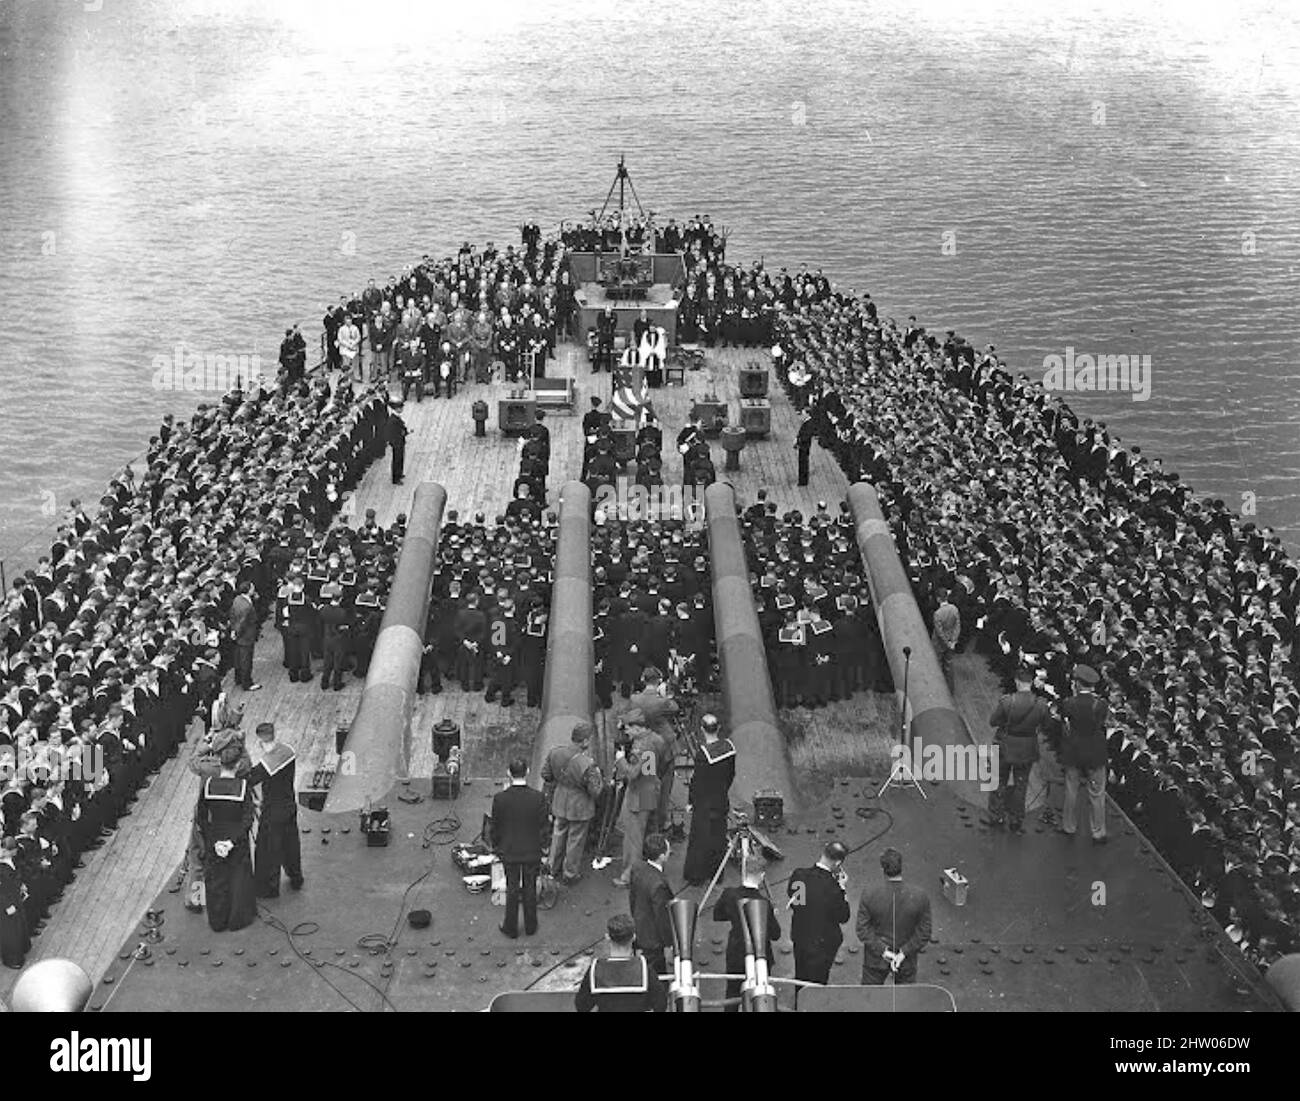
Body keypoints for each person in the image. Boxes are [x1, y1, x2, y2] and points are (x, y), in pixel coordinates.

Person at [197, 742, 257, 933]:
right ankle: (237, 919)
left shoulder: (208, 786)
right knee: (239, 878)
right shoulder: (242, 787)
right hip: (236, 840)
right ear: (237, 765)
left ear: (220, 764)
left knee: (216, 880)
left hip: (215, 837)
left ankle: (218, 920)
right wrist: (231, 841)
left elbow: (201, 816)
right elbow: (248, 818)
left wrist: (212, 840)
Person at [713, 845, 780, 1012]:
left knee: (733, 992)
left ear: (743, 871)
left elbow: (718, 915)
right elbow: (775, 934)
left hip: (736, 950)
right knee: (760, 994)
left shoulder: (729, 895)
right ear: (762, 876)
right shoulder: (764, 903)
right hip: (760, 954)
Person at [489, 757, 549, 939]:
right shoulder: (538, 798)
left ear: (509, 773)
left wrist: (497, 848)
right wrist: (543, 849)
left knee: (512, 887)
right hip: (532, 851)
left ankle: (510, 926)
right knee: (530, 887)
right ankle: (531, 925)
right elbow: (543, 827)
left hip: (509, 851)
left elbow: (495, 827)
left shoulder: (500, 799)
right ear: (528, 772)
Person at [855, 847, 932, 985]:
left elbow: (862, 930)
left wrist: (883, 950)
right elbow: (924, 932)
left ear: (882, 869)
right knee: (904, 1001)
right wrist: (904, 952)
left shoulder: (869, 894)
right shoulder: (920, 896)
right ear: (901, 867)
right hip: (906, 960)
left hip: (875, 960)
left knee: (869, 998)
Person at [986, 666, 1048, 833]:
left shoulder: (1007, 701)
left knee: (998, 781)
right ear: (1031, 683)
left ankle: (996, 816)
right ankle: (1016, 819)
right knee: (1021, 785)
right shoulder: (1041, 705)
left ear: (1017, 681)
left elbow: (993, 721)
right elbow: (1045, 725)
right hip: (1027, 748)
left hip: (1005, 745)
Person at [245, 722, 303, 899]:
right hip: (289, 805)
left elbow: (250, 778)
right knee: (290, 844)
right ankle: (296, 877)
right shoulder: (288, 751)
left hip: (273, 810)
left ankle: (268, 890)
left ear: (260, 740)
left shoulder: (268, 763)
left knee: (267, 850)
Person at [541, 722, 603, 885]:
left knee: (558, 833)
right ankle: (570, 873)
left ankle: (552, 868)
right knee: (575, 839)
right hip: (579, 805)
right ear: (584, 741)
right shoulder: (587, 764)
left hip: (560, 799)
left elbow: (545, 774)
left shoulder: (555, 752)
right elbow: (595, 791)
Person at [575, 912, 668, 1013]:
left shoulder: (595, 970)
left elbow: (582, 1006)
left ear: (607, 937)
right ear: (634, 937)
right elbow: (661, 1004)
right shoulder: (644, 969)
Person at [786, 840, 850, 984]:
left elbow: (792, 896)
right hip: (823, 943)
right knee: (818, 980)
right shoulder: (834, 889)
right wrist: (842, 889)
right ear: (838, 863)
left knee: (800, 975)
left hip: (800, 936)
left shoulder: (799, 875)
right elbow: (843, 916)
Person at [1059, 663, 1109, 844]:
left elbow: (1066, 723)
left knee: (1071, 790)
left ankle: (1068, 826)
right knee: (1097, 793)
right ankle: (1098, 832)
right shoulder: (1101, 705)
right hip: (1095, 754)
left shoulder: (1068, 703)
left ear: (1078, 684)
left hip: (1074, 752)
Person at [611, 713, 663, 887]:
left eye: (628, 729)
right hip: (651, 788)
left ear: (639, 728)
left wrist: (620, 761)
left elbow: (632, 773)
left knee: (634, 837)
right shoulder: (656, 739)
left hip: (638, 792)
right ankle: (652, 867)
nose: (626, 733)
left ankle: (629, 876)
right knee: (649, 830)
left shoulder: (641, 746)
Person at [683, 713, 734, 885]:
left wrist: (691, 801)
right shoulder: (729, 747)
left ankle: (697, 876)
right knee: (719, 838)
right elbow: (730, 775)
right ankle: (716, 874)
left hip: (704, 804)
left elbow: (698, 782)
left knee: (700, 840)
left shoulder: (703, 754)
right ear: (718, 728)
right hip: (721, 799)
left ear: (702, 729)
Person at [627, 833, 674, 978]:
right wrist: (668, 943)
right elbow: (661, 916)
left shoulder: (637, 868)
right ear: (661, 856)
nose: (669, 851)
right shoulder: (658, 884)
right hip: (652, 938)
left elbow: (633, 897)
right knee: (656, 974)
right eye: (667, 850)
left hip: (639, 924)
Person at [0, 836, 30, 969]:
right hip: (6, 902)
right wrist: (6, 905)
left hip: (14, 896)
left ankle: (22, 947)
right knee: (9, 930)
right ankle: (11, 958)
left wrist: (20, 885)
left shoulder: (8, 860)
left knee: (18, 925)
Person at [229, 580, 261, 692]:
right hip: (246, 636)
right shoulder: (247, 606)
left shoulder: (237, 599)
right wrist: (237, 632)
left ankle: (238, 678)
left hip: (239, 635)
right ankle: (247, 683)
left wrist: (233, 631)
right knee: (246, 660)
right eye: (252, 587)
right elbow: (242, 623)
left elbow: (232, 615)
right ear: (248, 590)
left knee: (238, 658)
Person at [932, 590, 960, 694]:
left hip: (939, 644)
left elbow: (939, 632)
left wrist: (946, 643)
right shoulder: (954, 609)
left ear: (938, 599)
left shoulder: (937, 614)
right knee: (949, 665)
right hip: (951, 643)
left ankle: (938, 690)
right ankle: (950, 690)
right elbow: (957, 627)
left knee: (938, 664)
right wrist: (953, 641)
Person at [387, 400, 408, 485]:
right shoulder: (393, 419)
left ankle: (399, 473)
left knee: (400, 458)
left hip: (400, 441)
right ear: (397, 409)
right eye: (401, 408)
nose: (402, 409)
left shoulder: (396, 417)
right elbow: (391, 432)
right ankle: (395, 478)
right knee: (397, 459)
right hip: (397, 442)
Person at [795, 408, 817, 486]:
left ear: (808, 414)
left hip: (805, 446)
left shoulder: (809, 424)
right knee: (802, 462)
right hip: (803, 445)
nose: (802, 415)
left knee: (803, 463)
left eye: (803, 413)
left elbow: (806, 436)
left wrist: (798, 441)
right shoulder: (806, 422)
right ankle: (802, 479)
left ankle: (803, 481)